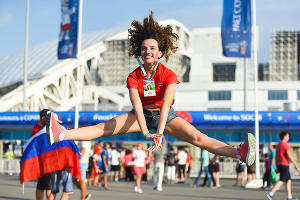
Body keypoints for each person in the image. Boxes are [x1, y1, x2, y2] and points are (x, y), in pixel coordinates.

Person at [45, 11, 255, 175]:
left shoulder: (168, 75)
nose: (148, 52)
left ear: (160, 52)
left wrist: (160, 132)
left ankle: (239, 153)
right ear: (139, 52)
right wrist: (146, 133)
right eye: (144, 48)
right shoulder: (133, 77)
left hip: (166, 116)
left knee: (199, 139)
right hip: (141, 116)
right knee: (103, 128)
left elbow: (166, 105)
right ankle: (61, 134)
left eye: (153, 48)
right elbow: (137, 105)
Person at [266, 131, 300, 200]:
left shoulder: (278, 145)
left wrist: (277, 166)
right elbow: (289, 156)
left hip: (280, 164)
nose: (288, 137)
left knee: (288, 180)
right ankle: (270, 193)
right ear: (284, 136)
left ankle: (289, 197)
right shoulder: (286, 145)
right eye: (287, 136)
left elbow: (276, 157)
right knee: (282, 180)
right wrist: (295, 164)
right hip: (284, 164)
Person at [32, 109, 52, 200]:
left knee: (47, 185)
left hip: (49, 160)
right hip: (43, 161)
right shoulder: (38, 129)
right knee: (44, 186)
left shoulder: (40, 127)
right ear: (43, 117)